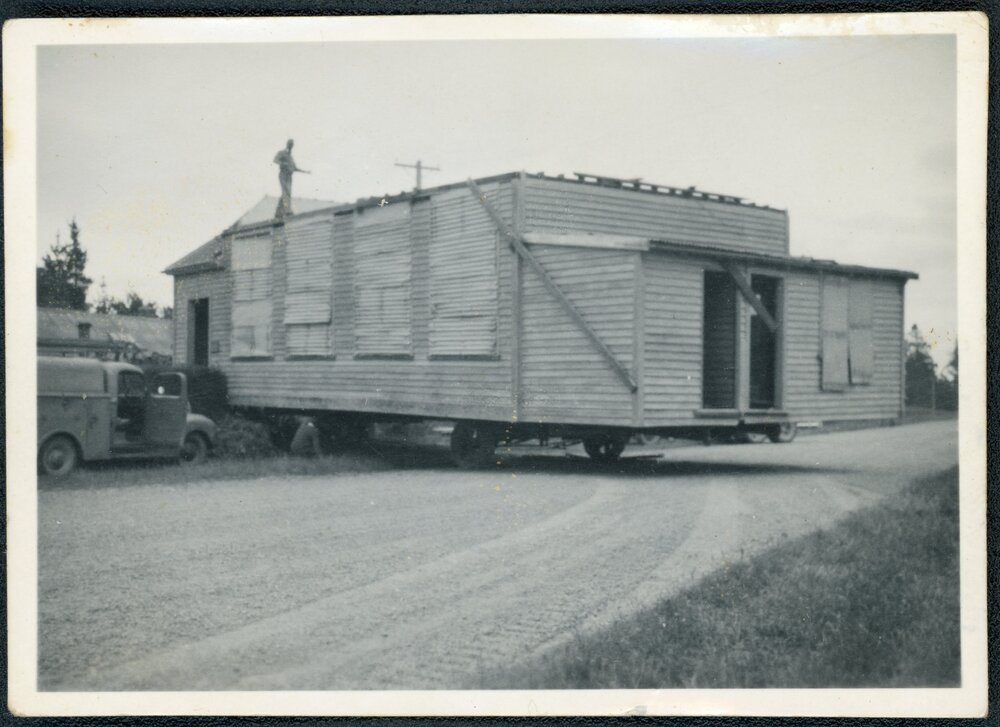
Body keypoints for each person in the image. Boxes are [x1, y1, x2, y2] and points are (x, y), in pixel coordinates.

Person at [273, 139, 308, 218]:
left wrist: (305, 171)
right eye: (290, 144)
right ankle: (288, 211)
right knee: (286, 192)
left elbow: (295, 168)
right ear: (287, 144)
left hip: (289, 176)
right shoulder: (282, 153)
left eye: (292, 145)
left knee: (287, 193)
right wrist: (283, 163)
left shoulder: (291, 157)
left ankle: (278, 212)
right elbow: (275, 160)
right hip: (283, 175)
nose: (291, 146)